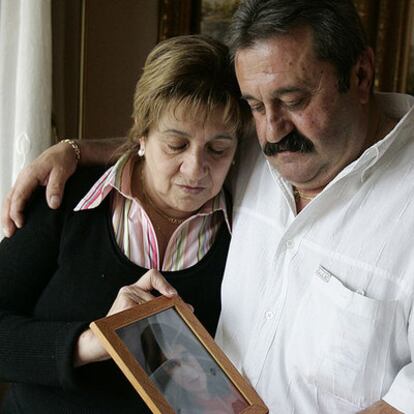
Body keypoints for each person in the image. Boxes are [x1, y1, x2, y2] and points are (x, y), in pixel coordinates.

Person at [3, 0, 414, 413]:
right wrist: (73, 150)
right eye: (254, 106)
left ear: (360, 75)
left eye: (293, 100)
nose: (272, 130)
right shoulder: (68, 196)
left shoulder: (247, 173)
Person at [0, 34, 248, 413]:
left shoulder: (247, 233)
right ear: (142, 135)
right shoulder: (64, 199)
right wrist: (92, 341)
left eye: (218, 149)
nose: (196, 169)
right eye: (176, 145)